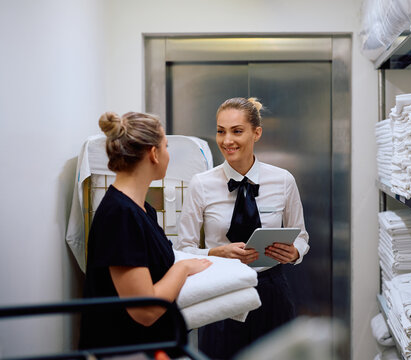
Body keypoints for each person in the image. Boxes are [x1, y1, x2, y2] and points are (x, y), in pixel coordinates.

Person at [176, 97, 310, 359]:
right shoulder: (201, 184)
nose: (227, 140)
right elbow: (184, 249)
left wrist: (295, 253)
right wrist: (217, 254)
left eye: (237, 131)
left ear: (256, 133)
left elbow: (302, 236)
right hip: (219, 290)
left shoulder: (283, 180)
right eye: (221, 131)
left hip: (271, 290)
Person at [79, 111, 212, 353]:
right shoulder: (120, 215)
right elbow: (145, 310)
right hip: (124, 352)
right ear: (153, 153)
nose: (168, 154)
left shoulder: (141, 209)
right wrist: (183, 269)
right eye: (166, 146)